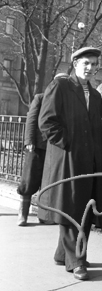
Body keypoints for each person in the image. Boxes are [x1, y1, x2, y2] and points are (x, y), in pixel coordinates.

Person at [38, 47, 102, 281]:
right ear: (75, 63)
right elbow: (47, 122)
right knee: (72, 207)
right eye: (86, 63)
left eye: (94, 64)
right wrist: (69, 144)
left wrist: (100, 154)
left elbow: (95, 127)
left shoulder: (96, 95)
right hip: (68, 159)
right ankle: (77, 260)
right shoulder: (61, 86)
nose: (90, 68)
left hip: (91, 160)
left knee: (85, 206)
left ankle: (63, 254)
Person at [16, 93, 47, 226]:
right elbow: (31, 119)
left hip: (56, 148)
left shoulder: (66, 100)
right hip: (36, 146)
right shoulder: (40, 98)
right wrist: (29, 140)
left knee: (48, 183)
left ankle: (44, 215)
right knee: (29, 179)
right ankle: (23, 214)